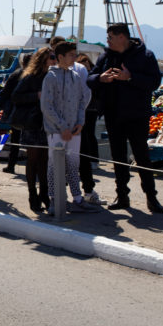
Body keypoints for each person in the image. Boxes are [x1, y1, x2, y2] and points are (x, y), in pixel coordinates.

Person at [87, 23, 163, 213]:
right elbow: (90, 78)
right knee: (118, 157)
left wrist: (130, 77)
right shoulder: (106, 56)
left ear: (122, 37)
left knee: (141, 156)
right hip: (113, 114)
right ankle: (122, 196)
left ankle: (151, 197)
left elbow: (154, 82)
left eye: (110, 37)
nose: (108, 41)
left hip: (137, 114)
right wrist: (101, 79)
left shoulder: (145, 56)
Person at [40, 41, 101, 214]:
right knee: (54, 165)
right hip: (56, 131)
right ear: (61, 57)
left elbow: (82, 101)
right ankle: (55, 199)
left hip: (74, 129)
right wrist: (62, 126)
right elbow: (47, 105)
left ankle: (77, 198)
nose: (75, 58)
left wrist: (80, 122)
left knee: (74, 164)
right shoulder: (50, 78)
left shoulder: (75, 76)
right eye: (71, 55)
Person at [12, 48, 54, 212]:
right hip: (33, 122)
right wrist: (35, 96)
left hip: (48, 123)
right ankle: (32, 194)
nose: (54, 60)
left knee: (45, 160)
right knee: (33, 159)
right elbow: (16, 96)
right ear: (43, 59)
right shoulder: (30, 77)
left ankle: (44, 193)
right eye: (51, 57)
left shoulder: (53, 76)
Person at [76, 53, 105, 204]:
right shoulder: (55, 74)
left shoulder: (80, 71)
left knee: (82, 153)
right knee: (80, 156)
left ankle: (84, 191)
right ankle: (84, 192)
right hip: (76, 121)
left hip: (81, 118)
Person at [0, 53, 31, 174]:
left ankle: (11, 165)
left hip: (16, 112)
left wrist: (1, 107)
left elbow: (5, 92)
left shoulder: (16, 74)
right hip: (31, 112)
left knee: (15, 139)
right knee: (31, 141)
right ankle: (31, 167)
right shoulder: (34, 75)